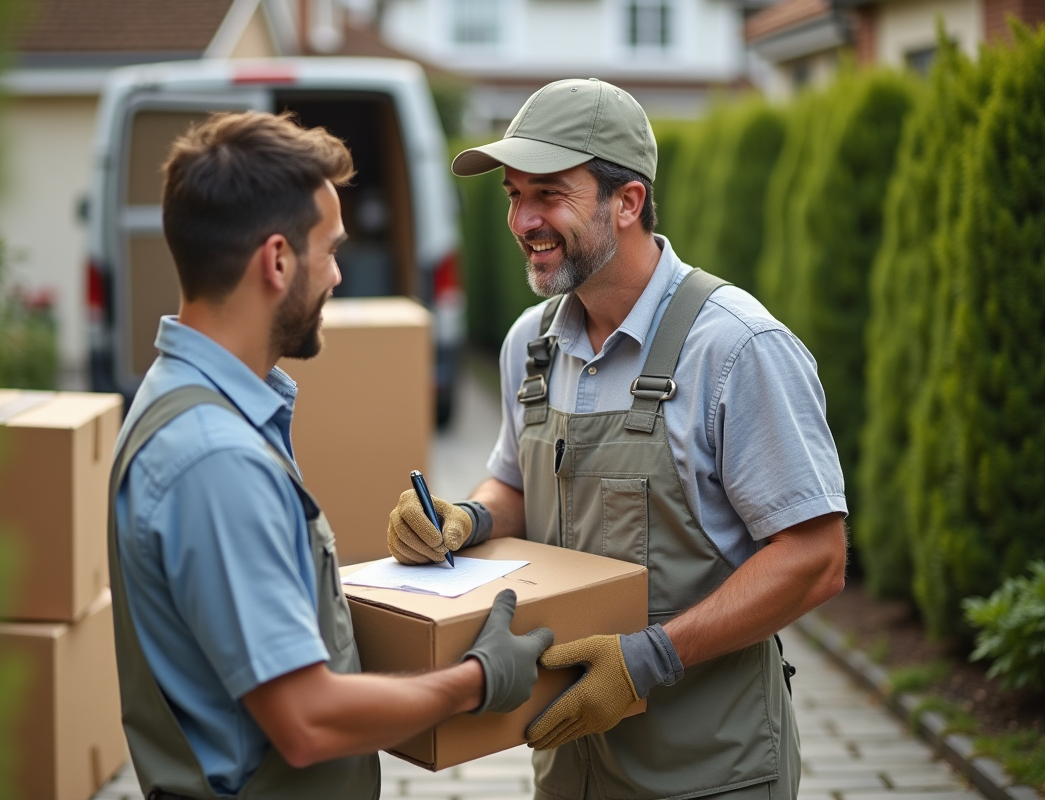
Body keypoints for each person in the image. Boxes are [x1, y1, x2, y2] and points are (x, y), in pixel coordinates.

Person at [386, 78, 848, 800]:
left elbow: (816, 557)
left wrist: (649, 658)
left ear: (627, 202)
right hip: (568, 767)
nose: (522, 220)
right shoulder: (530, 345)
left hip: (710, 773)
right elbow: (514, 482)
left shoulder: (734, 348)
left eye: (548, 194)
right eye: (513, 195)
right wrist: (466, 519)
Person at [108, 110, 554, 800]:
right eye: (331, 249)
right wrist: (476, 680)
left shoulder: (190, 402)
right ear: (278, 260)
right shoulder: (214, 458)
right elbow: (306, 721)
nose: (339, 275)